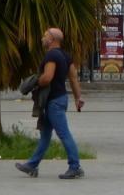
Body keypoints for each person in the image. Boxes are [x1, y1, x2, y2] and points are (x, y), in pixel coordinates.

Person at [16, 27, 85, 179]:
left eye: (45, 36)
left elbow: (47, 77)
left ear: (52, 39)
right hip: (59, 99)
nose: (42, 38)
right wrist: (77, 98)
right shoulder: (66, 56)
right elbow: (73, 78)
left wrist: (34, 82)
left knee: (64, 134)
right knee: (45, 136)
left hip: (53, 101)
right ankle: (32, 165)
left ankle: (75, 167)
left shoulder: (51, 55)